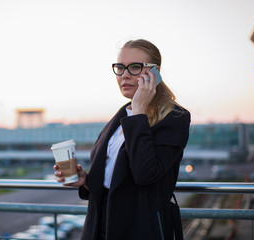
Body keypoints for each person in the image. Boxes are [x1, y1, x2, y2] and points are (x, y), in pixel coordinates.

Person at [54, 39, 191, 240]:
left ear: (155, 72)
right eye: (120, 67)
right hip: (101, 223)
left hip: (139, 227)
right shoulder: (121, 116)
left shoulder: (174, 117)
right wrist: (87, 180)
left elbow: (145, 174)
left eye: (134, 67)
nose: (124, 75)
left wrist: (138, 113)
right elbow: (116, 177)